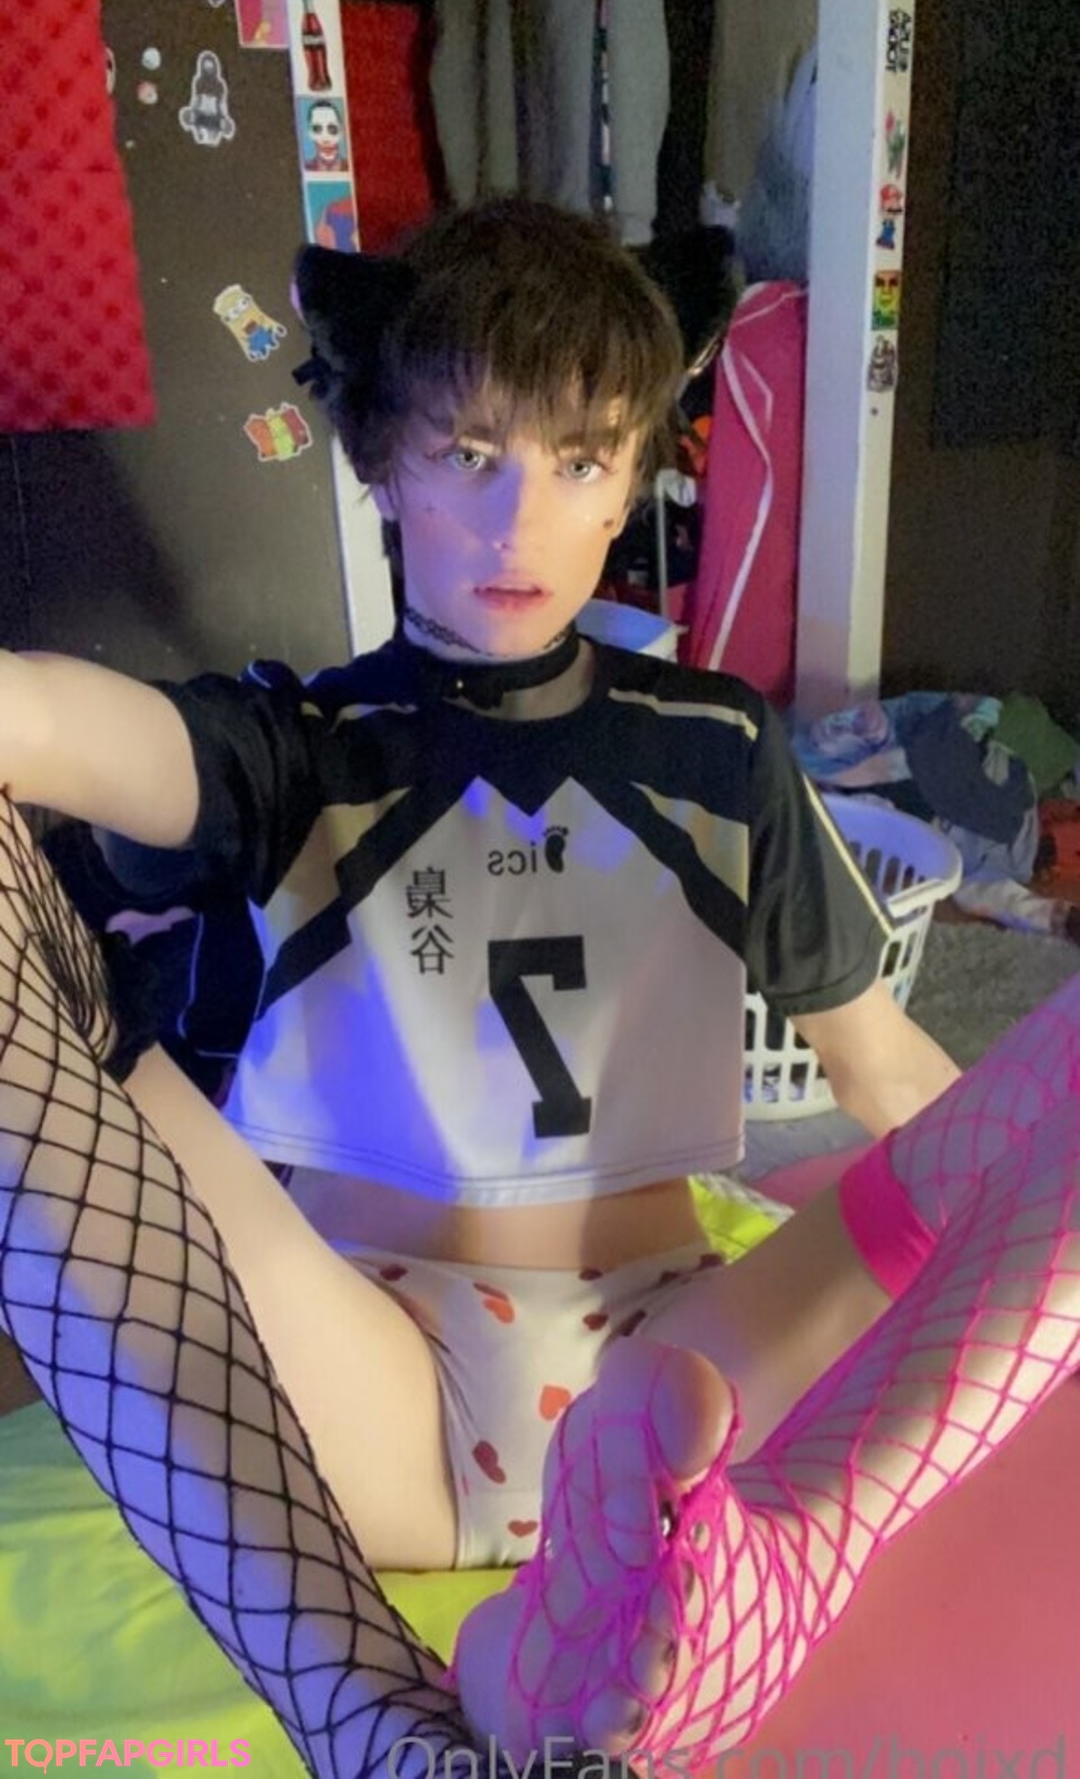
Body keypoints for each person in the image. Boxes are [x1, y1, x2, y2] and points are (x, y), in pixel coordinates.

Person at [0, 199, 1077, 1779]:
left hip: (686, 1343)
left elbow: (895, 1080)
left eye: (578, 462)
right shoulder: (290, 744)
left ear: (632, 475)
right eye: (469, 455)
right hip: (377, 1374)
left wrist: (1020, 1217)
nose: (521, 523)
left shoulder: (723, 747)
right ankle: (446, 1695)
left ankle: (634, 1634)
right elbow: (45, 723)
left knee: (1060, 1076)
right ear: (382, 463)